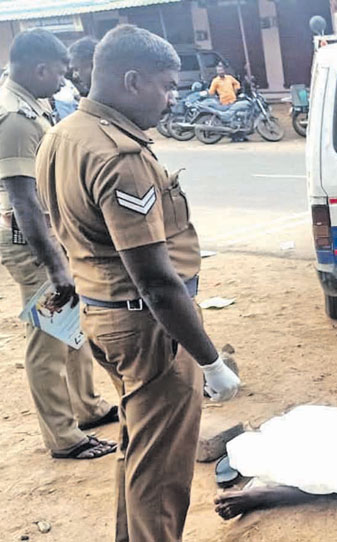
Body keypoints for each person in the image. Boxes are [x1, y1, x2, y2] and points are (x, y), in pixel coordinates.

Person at [35, 25, 241, 542]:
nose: (173, 98)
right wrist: (211, 361)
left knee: (140, 447)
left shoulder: (62, 135)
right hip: (149, 330)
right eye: (166, 85)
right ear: (131, 81)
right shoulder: (119, 156)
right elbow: (155, 280)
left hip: (103, 314)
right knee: (162, 473)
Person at [0, 29, 117, 460]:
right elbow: (22, 199)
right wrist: (54, 264)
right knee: (47, 338)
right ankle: (64, 437)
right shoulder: (13, 117)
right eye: (60, 71)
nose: (64, 80)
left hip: (46, 236)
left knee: (71, 327)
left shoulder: (32, 105)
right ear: (39, 68)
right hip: (30, 241)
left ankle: (86, 407)